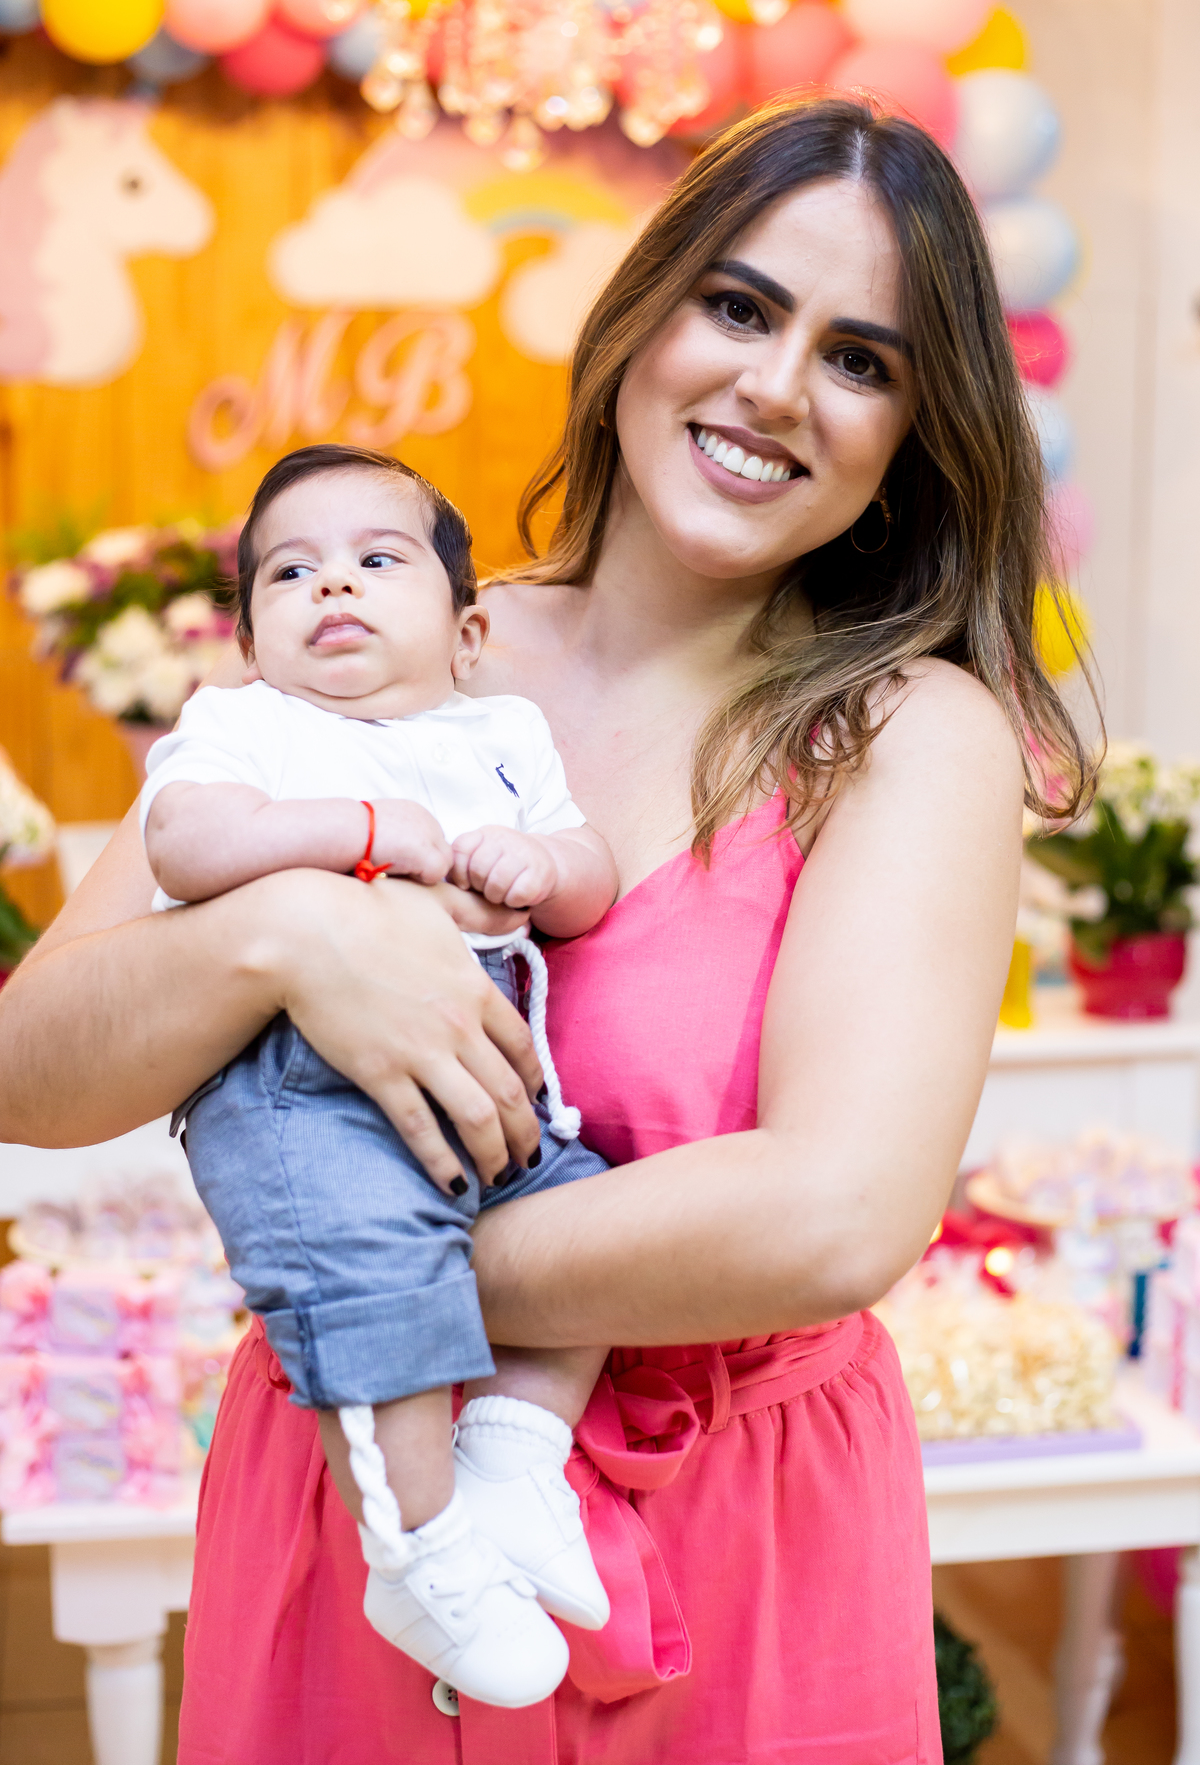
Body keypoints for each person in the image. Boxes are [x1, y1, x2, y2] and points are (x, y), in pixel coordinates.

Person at [0, 96, 1091, 1763]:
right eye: (740, 306)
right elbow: (30, 1068)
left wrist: (361, 1277)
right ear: (643, 314)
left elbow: (836, 1215)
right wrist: (281, 939)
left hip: (739, 1538)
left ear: (913, 432)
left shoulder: (905, 736)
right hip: (360, 1504)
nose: (776, 386)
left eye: (860, 360)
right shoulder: (385, 648)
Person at [140, 443, 617, 1706]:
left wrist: (545, 866)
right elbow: (185, 843)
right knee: (373, 1287)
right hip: (305, 1095)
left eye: (376, 560)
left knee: (592, 1210)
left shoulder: (502, 733)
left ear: (466, 634)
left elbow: (587, 875)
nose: (333, 587)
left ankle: (511, 1459)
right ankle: (417, 1550)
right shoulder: (249, 727)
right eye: (291, 573)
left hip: (491, 1083)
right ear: (252, 644)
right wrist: (355, 832)